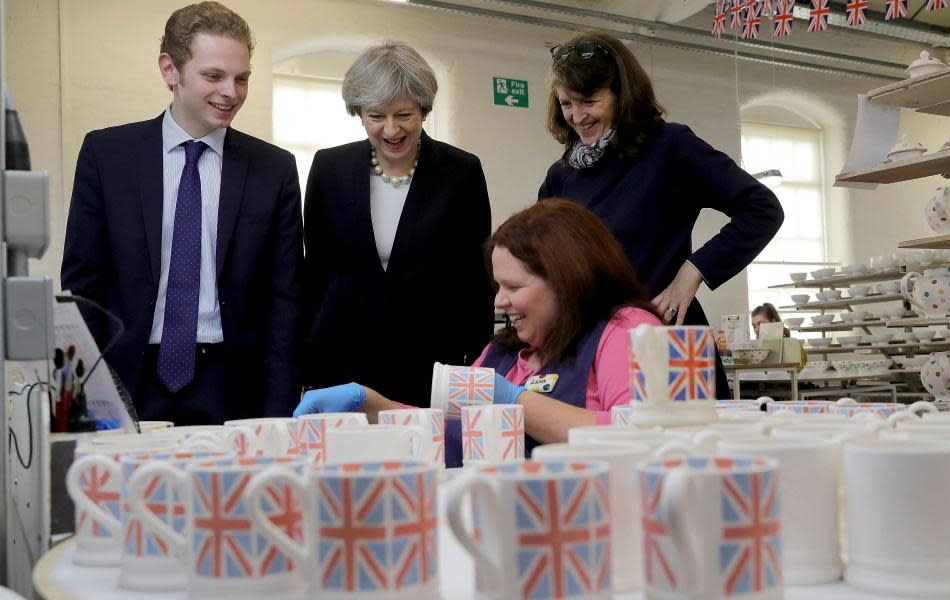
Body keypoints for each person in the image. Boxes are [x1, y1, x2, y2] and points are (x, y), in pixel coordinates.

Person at [61, 2, 303, 425]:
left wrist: (280, 411)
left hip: (233, 387)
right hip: (128, 381)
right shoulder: (107, 155)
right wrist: (88, 392)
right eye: (214, 76)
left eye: (242, 78)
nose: (231, 91)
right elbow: (84, 286)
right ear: (169, 69)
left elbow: (285, 300)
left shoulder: (273, 169)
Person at [294, 199, 665, 466]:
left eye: (514, 287)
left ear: (568, 279)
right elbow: (445, 429)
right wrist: (371, 406)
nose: (500, 301)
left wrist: (513, 401)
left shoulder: (625, 330)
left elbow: (640, 435)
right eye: (498, 286)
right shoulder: (503, 354)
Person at [537, 31, 784, 398]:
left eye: (589, 101)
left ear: (622, 95)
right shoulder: (561, 177)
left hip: (667, 343)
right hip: (589, 346)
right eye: (566, 104)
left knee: (688, 451)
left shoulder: (670, 148)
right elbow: (542, 264)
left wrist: (693, 271)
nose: (577, 116)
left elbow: (762, 209)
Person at [300, 42, 494, 408]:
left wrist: (477, 364)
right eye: (376, 116)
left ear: (423, 108)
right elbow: (316, 273)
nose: (391, 130)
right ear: (358, 112)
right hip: (343, 364)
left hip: (432, 367)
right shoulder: (329, 169)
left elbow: (477, 279)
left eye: (404, 114)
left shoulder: (461, 172)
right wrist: (306, 363)